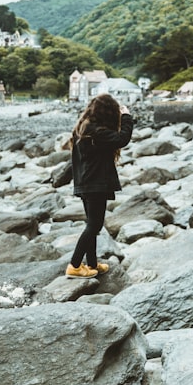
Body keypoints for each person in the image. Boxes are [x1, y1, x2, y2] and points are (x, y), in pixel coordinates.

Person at [65, 94, 134, 278]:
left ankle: (92, 264)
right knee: (94, 226)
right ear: (107, 113)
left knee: (92, 225)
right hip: (95, 183)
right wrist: (126, 117)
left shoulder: (84, 128)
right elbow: (122, 139)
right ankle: (74, 265)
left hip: (86, 182)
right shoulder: (96, 131)